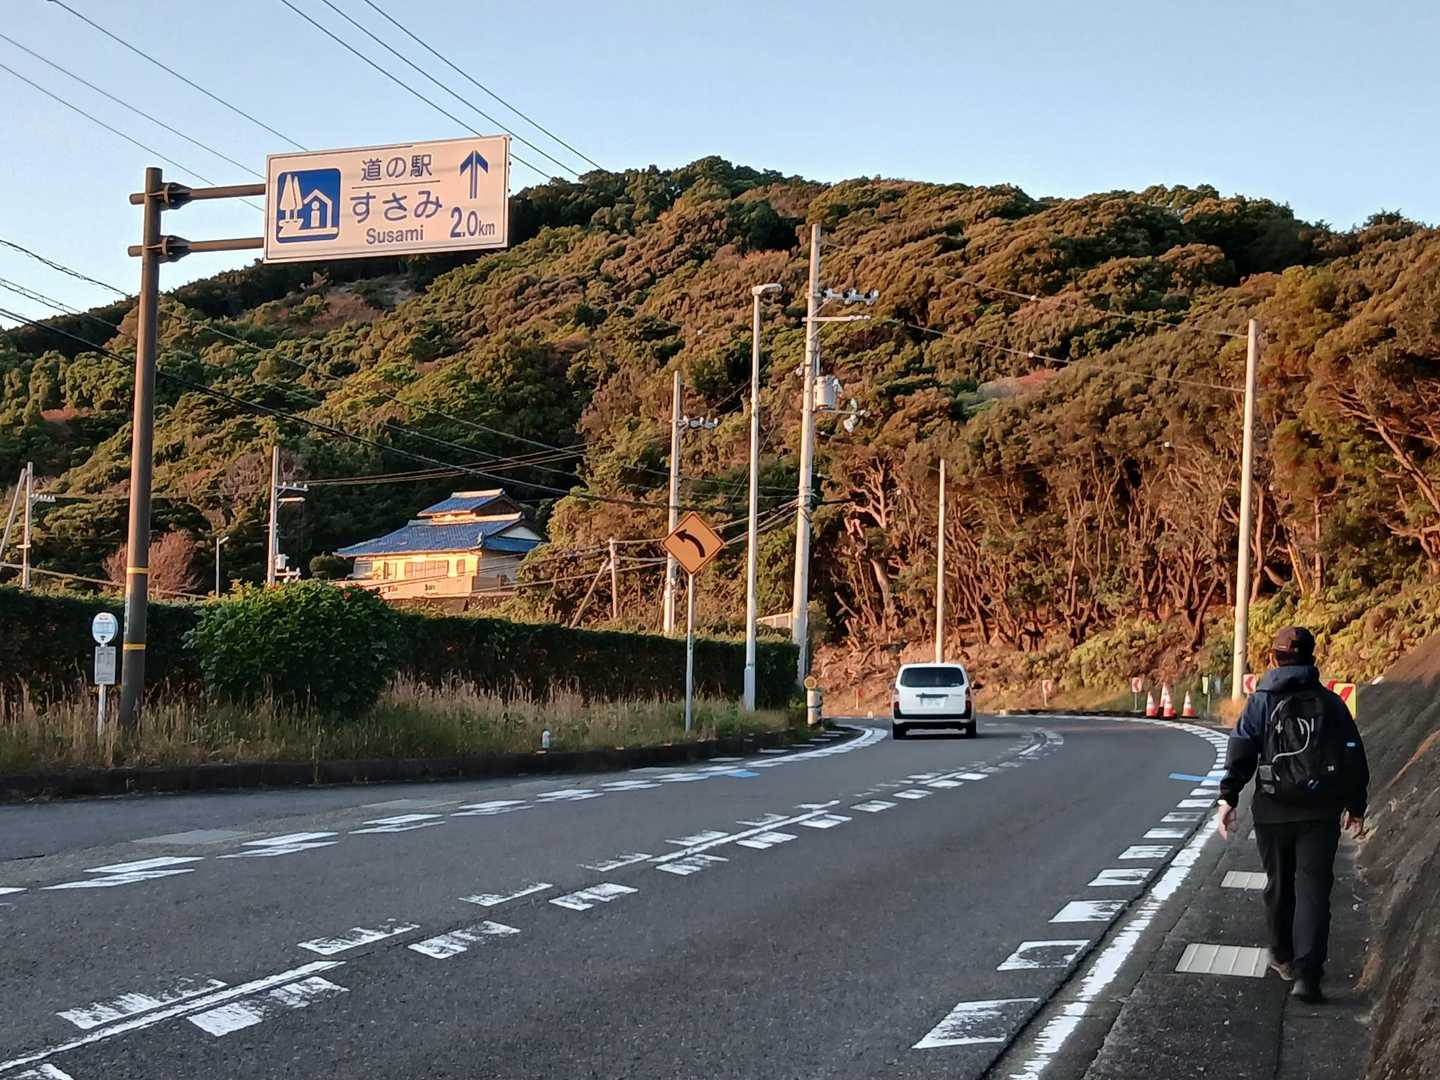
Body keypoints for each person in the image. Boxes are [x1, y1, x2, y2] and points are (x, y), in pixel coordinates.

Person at [1217, 626, 1369, 1004]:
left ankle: (1283, 956)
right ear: (1312, 657)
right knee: (1314, 890)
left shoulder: (1261, 701)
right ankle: (1308, 977)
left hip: (1273, 809)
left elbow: (1242, 747)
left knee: (1279, 884)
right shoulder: (1330, 702)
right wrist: (1356, 805)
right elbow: (1352, 752)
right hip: (1321, 810)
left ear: (1274, 658)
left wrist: (1228, 797)